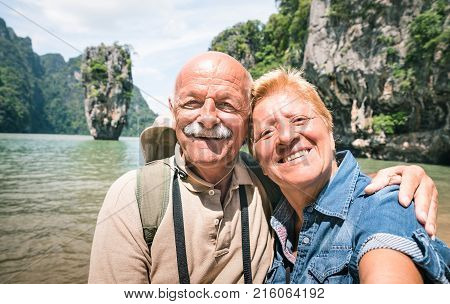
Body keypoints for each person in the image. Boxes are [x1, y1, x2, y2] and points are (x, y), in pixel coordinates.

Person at [88, 51, 440, 284]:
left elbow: (384, 254)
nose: (208, 118)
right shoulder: (135, 197)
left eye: (226, 105)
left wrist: (403, 184)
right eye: (192, 102)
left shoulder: (380, 202)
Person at [250, 68, 449, 283]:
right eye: (266, 132)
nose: (286, 137)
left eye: (299, 120)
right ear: (259, 162)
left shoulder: (386, 202)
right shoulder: (267, 215)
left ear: (331, 132)